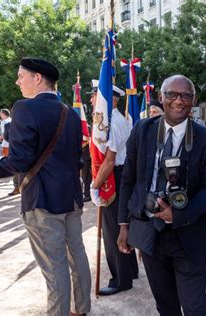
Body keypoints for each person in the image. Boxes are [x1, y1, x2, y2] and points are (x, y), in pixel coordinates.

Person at [0, 57, 91, 315]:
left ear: (37, 78)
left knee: (54, 265)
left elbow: (20, 159)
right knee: (76, 254)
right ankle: (81, 309)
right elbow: (77, 158)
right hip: (70, 197)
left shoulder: (24, 109)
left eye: (20, 75)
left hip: (43, 200)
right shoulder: (70, 112)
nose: (17, 81)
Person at [117, 75, 206, 315]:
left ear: (193, 100)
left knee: (195, 306)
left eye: (185, 95)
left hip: (188, 234)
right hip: (149, 229)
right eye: (172, 95)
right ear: (161, 98)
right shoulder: (142, 130)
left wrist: (178, 214)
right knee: (165, 305)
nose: (178, 101)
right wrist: (124, 225)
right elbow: (128, 179)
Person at [89, 79, 138, 296]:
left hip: (114, 177)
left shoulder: (113, 123)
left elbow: (109, 160)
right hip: (119, 174)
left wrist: (95, 185)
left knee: (112, 231)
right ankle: (130, 270)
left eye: (95, 96)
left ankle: (121, 279)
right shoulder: (116, 119)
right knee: (121, 226)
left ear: (110, 100)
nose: (92, 100)